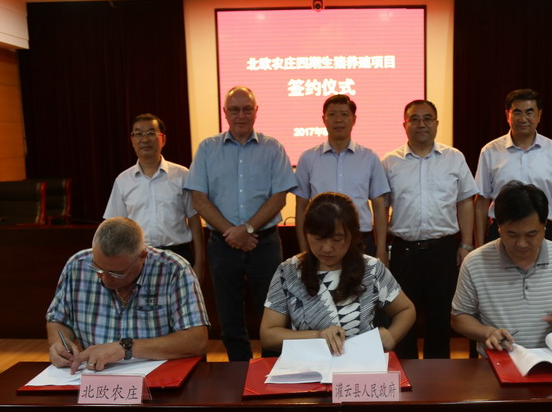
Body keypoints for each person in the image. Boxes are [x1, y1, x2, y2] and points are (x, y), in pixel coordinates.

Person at [186, 87, 296, 361]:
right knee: (229, 317)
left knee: (273, 313)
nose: (241, 115)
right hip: (222, 244)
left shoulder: (273, 148)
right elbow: (199, 199)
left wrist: (246, 230)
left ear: (256, 111)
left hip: (265, 243)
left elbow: (279, 197)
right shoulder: (207, 148)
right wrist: (232, 233)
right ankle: (239, 372)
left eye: (247, 109)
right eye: (234, 110)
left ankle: (272, 370)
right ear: (225, 113)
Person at [46, 217, 209, 373]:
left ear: (142, 257)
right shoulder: (77, 266)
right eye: (98, 269)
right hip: (95, 377)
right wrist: (59, 344)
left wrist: (126, 348)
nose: (105, 279)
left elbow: (197, 341)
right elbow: (58, 320)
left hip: (160, 377)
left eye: (117, 273)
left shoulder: (174, 270)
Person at [260, 192, 415, 355]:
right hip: (308, 363)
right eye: (318, 238)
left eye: (337, 239)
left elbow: (406, 309)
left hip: (361, 362)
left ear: (353, 235)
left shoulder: (371, 269)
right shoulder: (289, 271)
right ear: (306, 233)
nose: (327, 248)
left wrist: (391, 335)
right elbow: (268, 335)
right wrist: (318, 336)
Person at [382, 99, 477, 359]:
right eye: (414, 119)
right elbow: (381, 208)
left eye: (427, 118)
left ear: (436, 124)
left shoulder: (454, 158)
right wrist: (381, 250)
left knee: (440, 318)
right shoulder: (390, 162)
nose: (421, 124)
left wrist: (466, 244)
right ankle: (406, 374)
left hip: (443, 250)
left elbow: (465, 202)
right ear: (404, 125)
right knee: (403, 318)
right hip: (403, 252)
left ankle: (439, 377)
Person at [452, 182, 552, 355]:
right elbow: (459, 318)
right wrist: (488, 333)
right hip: (498, 361)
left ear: (544, 226)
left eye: (531, 234)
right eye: (512, 234)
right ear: (498, 228)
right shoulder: (475, 263)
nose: (522, 244)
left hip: (551, 359)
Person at [103, 113, 204, 280]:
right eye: (138, 134)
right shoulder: (123, 180)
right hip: (137, 258)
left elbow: (194, 220)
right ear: (132, 140)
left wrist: (199, 263)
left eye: (151, 133)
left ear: (163, 139)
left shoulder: (182, 175)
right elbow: (115, 226)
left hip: (178, 256)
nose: (144, 139)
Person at [294, 94, 390, 264]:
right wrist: (304, 250)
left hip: (360, 239)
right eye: (332, 114)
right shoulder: (308, 158)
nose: (338, 120)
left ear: (354, 119)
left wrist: (381, 249)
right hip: (321, 239)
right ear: (323, 120)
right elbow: (301, 207)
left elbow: (379, 205)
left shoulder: (369, 158)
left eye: (344, 114)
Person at [474, 89, 552, 246]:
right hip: (501, 231)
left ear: (539, 115)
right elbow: (481, 202)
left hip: (543, 231)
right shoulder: (490, 151)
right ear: (507, 115)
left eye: (529, 112)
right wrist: (479, 246)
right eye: (517, 112)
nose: (523, 119)